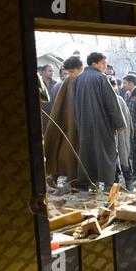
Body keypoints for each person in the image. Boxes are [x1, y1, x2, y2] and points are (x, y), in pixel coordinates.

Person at [71, 52, 126, 190]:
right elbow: (112, 103)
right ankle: (107, 185)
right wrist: (119, 123)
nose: (105, 66)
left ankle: (89, 183)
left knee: (88, 153)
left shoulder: (78, 79)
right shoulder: (101, 78)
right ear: (94, 64)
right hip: (102, 124)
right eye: (103, 63)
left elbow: (74, 104)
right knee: (106, 152)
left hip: (84, 124)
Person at [44, 56, 83, 186]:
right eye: (68, 72)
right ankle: (65, 178)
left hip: (74, 125)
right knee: (68, 151)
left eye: (72, 72)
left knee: (67, 151)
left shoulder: (80, 80)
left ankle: (63, 177)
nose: (70, 75)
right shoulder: (70, 82)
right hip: (69, 124)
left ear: (81, 69)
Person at [109, 76, 135, 191]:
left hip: (121, 136)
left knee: (123, 160)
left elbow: (128, 120)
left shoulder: (119, 100)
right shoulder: (116, 99)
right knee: (118, 161)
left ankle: (128, 184)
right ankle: (116, 188)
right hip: (114, 138)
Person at [40, 64, 58, 132]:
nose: (52, 73)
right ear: (43, 71)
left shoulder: (55, 83)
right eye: (49, 71)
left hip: (53, 111)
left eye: (53, 71)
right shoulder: (38, 83)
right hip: (43, 112)